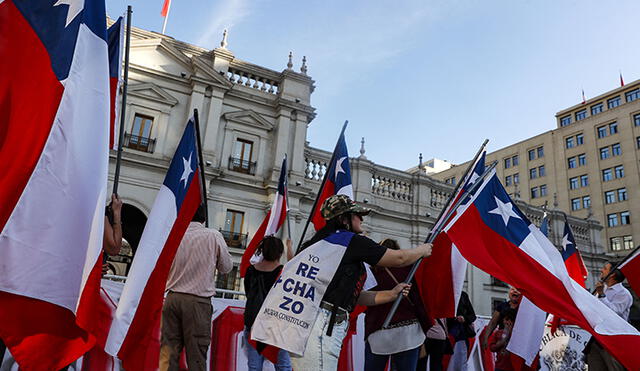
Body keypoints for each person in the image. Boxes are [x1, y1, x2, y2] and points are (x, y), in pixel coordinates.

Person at [290, 194, 432, 370]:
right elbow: (400, 258)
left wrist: (391, 294)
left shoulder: (315, 244)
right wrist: (422, 250)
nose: (362, 219)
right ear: (343, 219)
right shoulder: (350, 241)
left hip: (307, 321)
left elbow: (354, 296)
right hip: (324, 323)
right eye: (357, 215)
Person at [159, 205, 233, 371]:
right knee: (197, 354)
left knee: (168, 352)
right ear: (204, 218)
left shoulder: (174, 235)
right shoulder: (213, 235)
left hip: (172, 298)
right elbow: (226, 267)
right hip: (197, 302)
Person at [363, 238, 431, 371]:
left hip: (378, 330)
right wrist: (427, 326)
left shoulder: (371, 273)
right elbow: (418, 301)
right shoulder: (409, 270)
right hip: (408, 333)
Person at [244, 236, 293, 371]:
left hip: (253, 324)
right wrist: (290, 247)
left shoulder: (250, 270)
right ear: (280, 252)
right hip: (276, 325)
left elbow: (249, 294)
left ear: (262, 251)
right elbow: (296, 268)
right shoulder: (284, 272)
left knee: (254, 367)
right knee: (283, 366)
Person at [585, 261, 632, 371]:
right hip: (597, 339)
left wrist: (601, 295)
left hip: (613, 341)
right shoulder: (602, 289)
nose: (601, 270)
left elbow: (613, 313)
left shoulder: (623, 294)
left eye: (605, 268)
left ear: (612, 274)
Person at [447, 291, 476, 371]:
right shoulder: (444, 293)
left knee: (461, 361)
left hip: (461, 335)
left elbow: (473, 316)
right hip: (447, 334)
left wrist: (464, 319)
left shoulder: (463, 295)